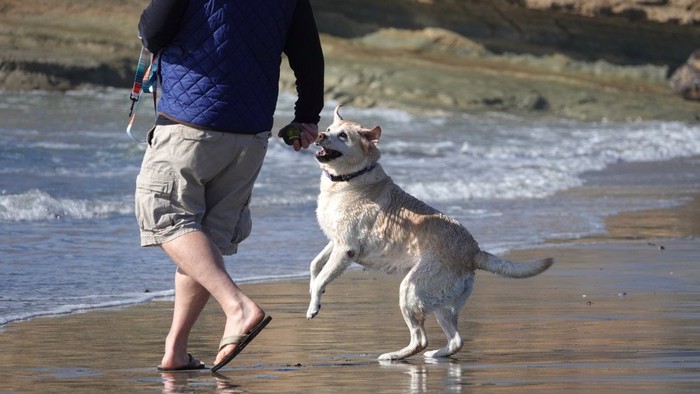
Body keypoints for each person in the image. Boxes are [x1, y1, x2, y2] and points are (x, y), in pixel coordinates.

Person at [134, 0, 324, 371]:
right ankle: (176, 349)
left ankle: (237, 308)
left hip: (190, 125)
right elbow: (309, 55)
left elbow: (154, 32)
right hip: (250, 134)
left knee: (163, 213)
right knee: (207, 239)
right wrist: (306, 117)